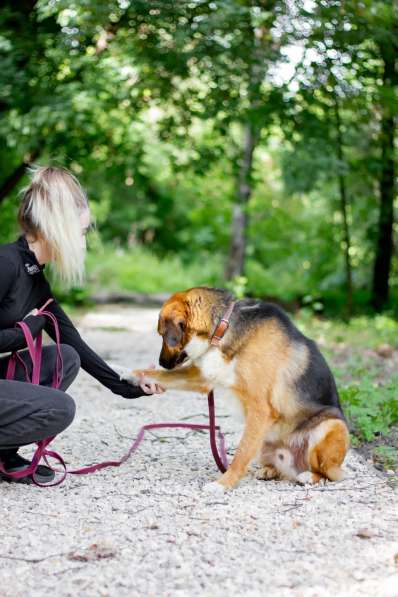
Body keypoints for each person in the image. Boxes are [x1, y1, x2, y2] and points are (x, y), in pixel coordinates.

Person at [0, 166, 163, 484]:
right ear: (58, 227)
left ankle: (3, 455)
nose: (83, 241)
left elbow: (75, 345)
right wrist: (23, 332)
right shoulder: (6, 264)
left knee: (65, 356)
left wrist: (130, 384)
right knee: (59, 409)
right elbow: (22, 332)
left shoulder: (35, 278)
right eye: (82, 231)